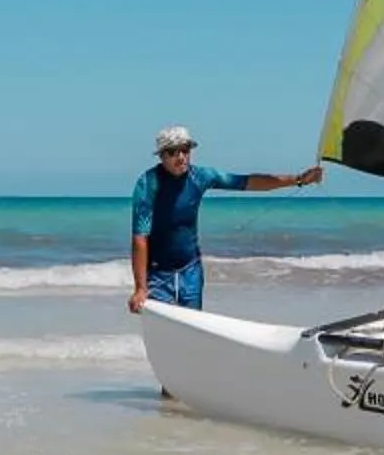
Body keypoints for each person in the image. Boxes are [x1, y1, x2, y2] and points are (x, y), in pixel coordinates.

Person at [126, 125, 320, 314]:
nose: (181, 157)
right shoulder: (148, 183)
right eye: (173, 152)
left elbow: (247, 182)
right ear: (161, 156)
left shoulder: (200, 177)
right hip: (158, 273)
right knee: (164, 331)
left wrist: (299, 179)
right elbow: (140, 238)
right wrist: (141, 288)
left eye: (185, 150)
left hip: (190, 269)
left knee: (193, 328)